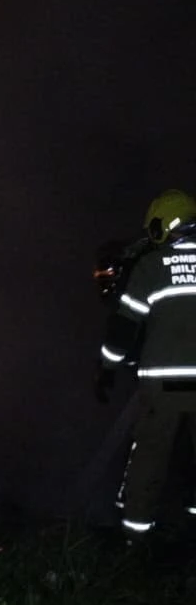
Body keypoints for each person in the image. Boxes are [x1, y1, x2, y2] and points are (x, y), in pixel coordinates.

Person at [97, 189, 196, 532]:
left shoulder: (152, 266)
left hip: (163, 385)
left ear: (164, 224)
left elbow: (125, 326)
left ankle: (134, 539)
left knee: (149, 459)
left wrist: (107, 369)